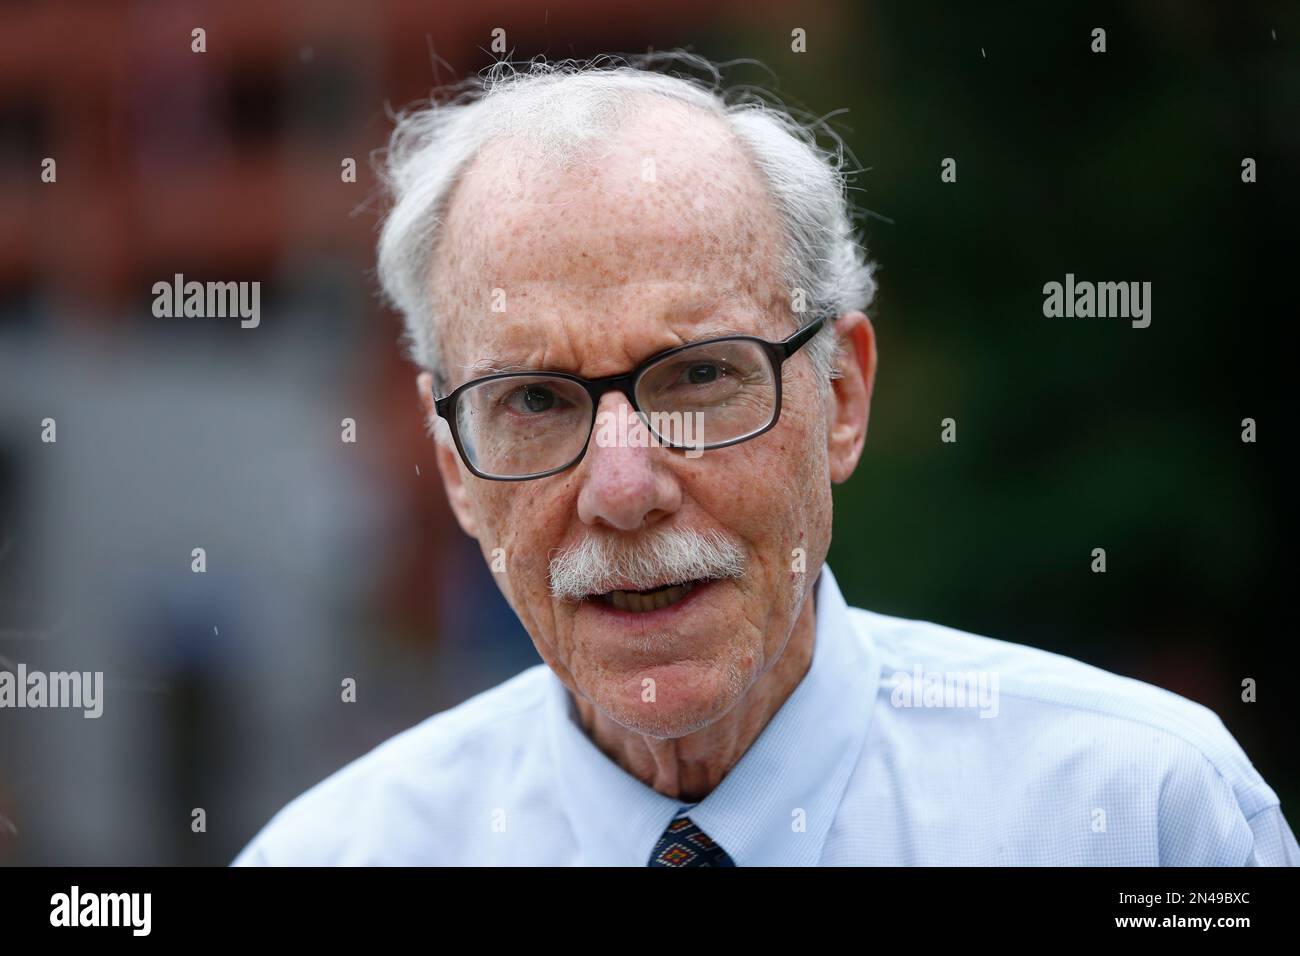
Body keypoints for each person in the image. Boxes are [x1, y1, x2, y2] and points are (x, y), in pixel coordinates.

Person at [233, 54, 1297, 866]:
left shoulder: (1137, 815)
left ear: (839, 397)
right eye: (536, 400)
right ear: (456, 469)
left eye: (697, 377)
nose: (622, 489)